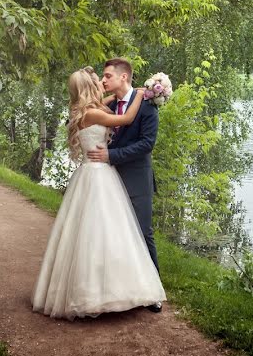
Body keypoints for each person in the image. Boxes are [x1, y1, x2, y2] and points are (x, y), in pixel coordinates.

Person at [31, 69, 165, 320]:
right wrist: (140, 94)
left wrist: (129, 92)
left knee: (106, 232)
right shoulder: (91, 113)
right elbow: (125, 120)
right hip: (98, 174)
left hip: (95, 173)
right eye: (96, 81)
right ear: (87, 87)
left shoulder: (86, 109)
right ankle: (95, 294)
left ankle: (114, 287)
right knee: (98, 232)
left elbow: (110, 102)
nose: (101, 82)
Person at [87, 58, 162, 313]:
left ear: (124, 77)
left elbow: (146, 144)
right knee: (112, 235)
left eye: (108, 75)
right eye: (102, 76)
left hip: (136, 178)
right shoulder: (105, 105)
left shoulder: (147, 105)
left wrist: (111, 156)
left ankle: (153, 293)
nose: (104, 80)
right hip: (106, 178)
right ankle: (118, 291)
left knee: (142, 232)